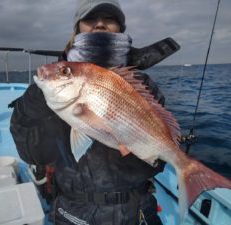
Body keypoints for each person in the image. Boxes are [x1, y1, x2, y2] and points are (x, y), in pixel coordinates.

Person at [10, 0, 179, 224]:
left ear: (120, 28)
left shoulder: (141, 85)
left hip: (136, 208)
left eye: (110, 19)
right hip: (75, 211)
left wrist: (142, 151)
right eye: (90, 19)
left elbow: (156, 163)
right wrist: (33, 102)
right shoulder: (51, 88)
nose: (100, 24)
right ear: (77, 28)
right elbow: (33, 155)